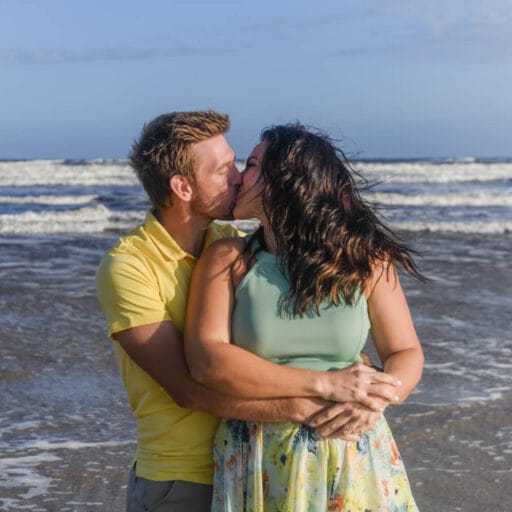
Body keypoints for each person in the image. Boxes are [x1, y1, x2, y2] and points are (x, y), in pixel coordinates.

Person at [96, 112, 401, 511]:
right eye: (225, 170)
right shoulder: (129, 267)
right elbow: (190, 389)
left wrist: (357, 370)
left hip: (260, 464)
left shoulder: (232, 245)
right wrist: (307, 402)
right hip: (182, 476)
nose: (239, 177)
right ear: (182, 187)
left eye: (242, 163)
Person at [184, 123, 425, 511]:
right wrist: (326, 385)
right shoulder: (229, 259)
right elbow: (207, 361)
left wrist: (377, 400)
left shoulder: (368, 260)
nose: (240, 178)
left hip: (354, 450)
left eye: (253, 165)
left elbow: (406, 350)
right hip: (259, 452)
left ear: (287, 181)